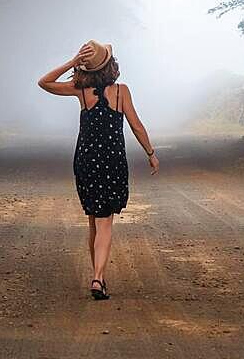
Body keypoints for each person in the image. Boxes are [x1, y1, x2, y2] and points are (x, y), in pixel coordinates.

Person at [38, 40, 159, 300]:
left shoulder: (81, 90)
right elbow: (136, 126)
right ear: (111, 65)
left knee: (94, 219)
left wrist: (72, 62)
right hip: (113, 161)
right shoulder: (121, 92)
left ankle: (99, 276)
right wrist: (151, 153)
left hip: (86, 160)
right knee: (104, 223)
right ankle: (98, 278)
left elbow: (44, 82)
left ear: (87, 68)